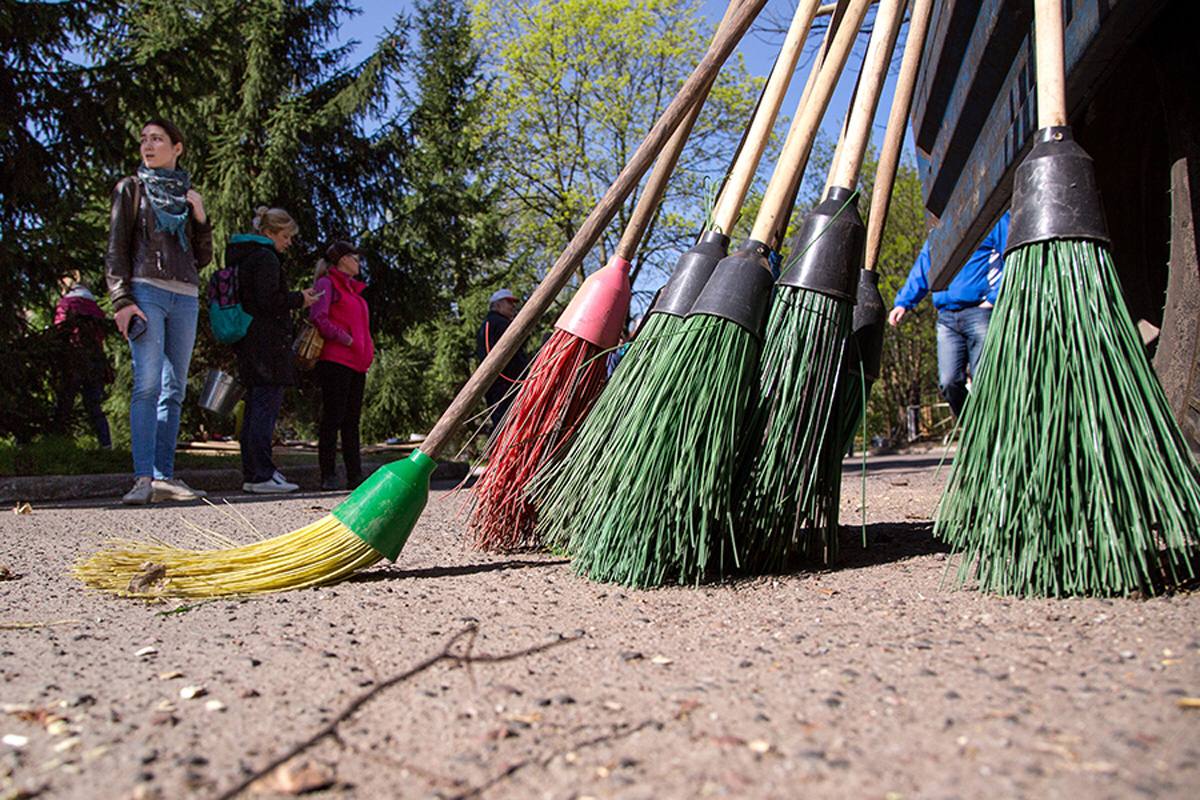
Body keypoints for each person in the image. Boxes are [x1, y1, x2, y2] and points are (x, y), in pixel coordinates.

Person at [105, 118, 213, 505]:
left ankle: (165, 476)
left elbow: (202, 258)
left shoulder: (187, 195)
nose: (148, 146)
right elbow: (116, 248)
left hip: (185, 295)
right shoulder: (131, 189)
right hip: (146, 290)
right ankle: (143, 478)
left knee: (175, 389)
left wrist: (201, 218)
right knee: (148, 385)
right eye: (144, 140)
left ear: (177, 148)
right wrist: (121, 299)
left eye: (158, 139)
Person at [228, 207, 321, 494]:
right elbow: (268, 300)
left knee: (257, 407)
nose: (288, 243)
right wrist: (299, 299)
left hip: (252, 343)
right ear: (269, 233)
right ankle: (261, 474)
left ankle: (258, 470)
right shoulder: (265, 258)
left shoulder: (245, 257)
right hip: (267, 346)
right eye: (285, 236)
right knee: (263, 411)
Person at [889, 211, 1010, 417]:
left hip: (979, 312)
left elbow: (1012, 255)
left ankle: (992, 432)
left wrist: (994, 297)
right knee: (949, 381)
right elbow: (924, 267)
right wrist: (903, 303)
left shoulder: (992, 218)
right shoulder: (940, 230)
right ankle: (972, 425)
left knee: (985, 380)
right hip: (947, 318)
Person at [309, 240, 375, 491]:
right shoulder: (327, 284)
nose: (358, 262)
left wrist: (367, 348)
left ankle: (354, 474)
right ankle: (328, 474)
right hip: (335, 360)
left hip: (357, 364)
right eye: (354, 257)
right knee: (333, 418)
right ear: (341, 260)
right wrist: (343, 337)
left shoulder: (354, 291)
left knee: (352, 420)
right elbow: (318, 317)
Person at [53, 280, 112, 448]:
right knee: (94, 406)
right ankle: (106, 445)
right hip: (95, 362)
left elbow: (60, 330)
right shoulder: (96, 310)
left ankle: (58, 444)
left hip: (72, 360)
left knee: (64, 404)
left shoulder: (65, 304)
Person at [476, 288, 529, 428]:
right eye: (509, 302)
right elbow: (489, 355)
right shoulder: (493, 323)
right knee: (506, 425)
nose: (513, 306)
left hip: (510, 383)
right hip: (502, 385)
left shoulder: (501, 323)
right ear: (497, 305)